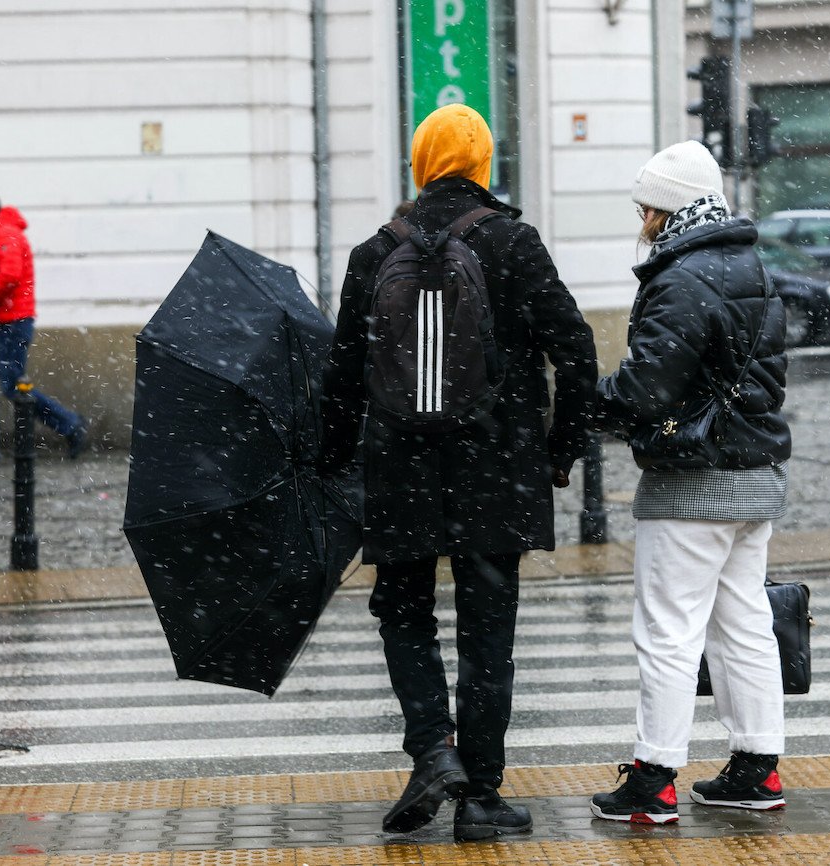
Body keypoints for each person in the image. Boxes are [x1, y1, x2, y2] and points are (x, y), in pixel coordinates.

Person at [319, 104, 597, 841]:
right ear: (483, 163)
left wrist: (332, 461)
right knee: (487, 629)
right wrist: (557, 452)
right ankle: (481, 796)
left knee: (403, 614)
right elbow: (576, 351)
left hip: (399, 467)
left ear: (419, 164)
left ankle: (431, 749)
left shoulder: (374, 254)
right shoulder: (513, 241)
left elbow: (341, 377)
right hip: (496, 465)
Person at [587, 141, 791, 824]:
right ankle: (757, 768)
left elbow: (649, 386)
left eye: (647, 205)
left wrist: (587, 404)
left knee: (669, 632)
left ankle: (653, 779)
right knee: (744, 627)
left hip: (691, 485)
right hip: (753, 477)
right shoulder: (750, 266)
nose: (641, 217)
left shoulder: (681, 278)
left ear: (670, 208)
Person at [0, 190, 87, 468]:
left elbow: (10, 276)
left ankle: (71, 425)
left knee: (14, 387)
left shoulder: (6, 235)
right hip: (0, 324)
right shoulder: (1, 234)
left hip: (11, 324)